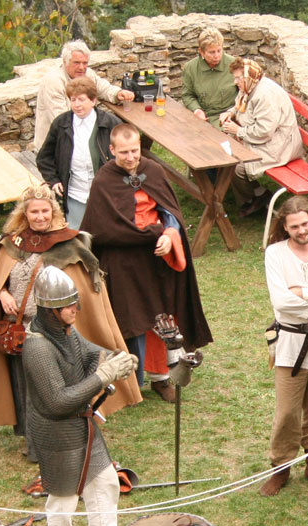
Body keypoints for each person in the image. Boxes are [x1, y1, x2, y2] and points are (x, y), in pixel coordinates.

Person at [0, 185, 142, 460]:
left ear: (53, 212)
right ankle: (33, 443)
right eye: (34, 212)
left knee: (53, 391)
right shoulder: (13, 243)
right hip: (20, 330)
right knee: (25, 389)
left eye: (45, 211)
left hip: (55, 332)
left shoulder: (69, 244)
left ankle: (60, 441)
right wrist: (2, 293)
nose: (40, 217)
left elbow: (88, 290)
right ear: (25, 214)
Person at [23, 266, 141, 526]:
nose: (76, 309)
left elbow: (91, 353)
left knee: (105, 484)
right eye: (69, 305)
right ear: (50, 311)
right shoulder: (37, 347)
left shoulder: (65, 332)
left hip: (82, 427)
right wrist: (104, 375)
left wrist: (114, 358)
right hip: (57, 434)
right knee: (62, 502)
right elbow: (58, 401)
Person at [80, 124, 212, 402]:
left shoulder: (152, 170)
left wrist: (170, 231)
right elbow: (101, 228)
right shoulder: (104, 180)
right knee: (132, 319)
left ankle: (163, 377)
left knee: (163, 316)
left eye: (135, 151)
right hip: (123, 262)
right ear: (112, 150)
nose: (130, 157)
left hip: (157, 259)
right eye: (124, 152)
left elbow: (170, 211)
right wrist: (150, 233)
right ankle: (129, 380)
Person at [260, 196, 308, 497]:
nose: (301, 231)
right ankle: (281, 467)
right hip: (291, 344)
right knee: (288, 411)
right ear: (285, 227)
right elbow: (281, 303)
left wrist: (301, 293)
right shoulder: (276, 254)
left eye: (305, 224)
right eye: (294, 227)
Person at [219, 58, 304, 217]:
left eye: (238, 78)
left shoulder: (265, 95)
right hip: (267, 141)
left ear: (248, 76)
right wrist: (230, 113)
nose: (235, 82)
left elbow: (264, 131)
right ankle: (258, 193)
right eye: (235, 78)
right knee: (223, 150)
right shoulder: (250, 87)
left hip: (279, 146)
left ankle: (255, 198)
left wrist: (238, 131)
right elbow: (241, 107)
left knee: (234, 165)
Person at [37, 76, 122, 229]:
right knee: (77, 236)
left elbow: (126, 156)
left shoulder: (110, 123)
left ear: (94, 100)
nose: (77, 105)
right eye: (73, 100)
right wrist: (54, 179)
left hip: (106, 194)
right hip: (75, 195)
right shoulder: (61, 124)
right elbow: (44, 157)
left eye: (81, 100)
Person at [33, 40, 133, 150]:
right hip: (57, 145)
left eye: (85, 63)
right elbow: (61, 121)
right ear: (65, 62)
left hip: (81, 138)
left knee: (118, 144)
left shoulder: (87, 74)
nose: (81, 67)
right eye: (76, 63)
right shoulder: (53, 82)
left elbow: (103, 88)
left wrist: (118, 93)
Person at [181, 27, 237, 127]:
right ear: (201, 52)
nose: (217, 56)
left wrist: (231, 112)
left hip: (228, 116)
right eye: (212, 52)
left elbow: (245, 94)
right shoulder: (190, 68)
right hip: (203, 115)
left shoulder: (234, 65)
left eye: (219, 51)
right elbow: (187, 95)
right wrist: (197, 110)